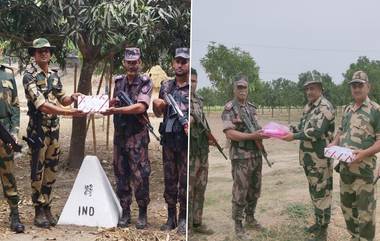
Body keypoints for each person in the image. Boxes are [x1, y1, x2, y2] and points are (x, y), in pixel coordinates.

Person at [23, 38, 84, 228]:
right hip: (38, 131)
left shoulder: (54, 75)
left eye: (47, 50)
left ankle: (47, 205)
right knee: (38, 171)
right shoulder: (29, 75)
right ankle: (38, 210)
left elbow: (62, 98)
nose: (44, 53)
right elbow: (41, 105)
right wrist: (69, 112)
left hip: (54, 130)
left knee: (51, 169)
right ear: (34, 53)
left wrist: (72, 98)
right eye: (40, 51)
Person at [102, 47, 153, 229]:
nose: (132, 66)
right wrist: (109, 104)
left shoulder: (145, 82)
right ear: (124, 63)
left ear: (140, 63)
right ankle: (125, 212)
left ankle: (142, 213)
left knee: (140, 176)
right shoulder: (118, 82)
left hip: (137, 137)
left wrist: (117, 110)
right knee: (121, 175)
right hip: (120, 136)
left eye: (135, 62)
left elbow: (140, 107)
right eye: (129, 62)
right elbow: (111, 102)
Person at [281, 74, 335, 241]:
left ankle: (323, 231)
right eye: (307, 89)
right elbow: (305, 126)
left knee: (322, 193)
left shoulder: (325, 106)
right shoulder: (309, 106)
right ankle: (319, 223)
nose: (309, 91)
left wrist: (294, 136)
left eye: (313, 88)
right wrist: (290, 129)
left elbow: (317, 131)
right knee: (314, 192)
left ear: (320, 89)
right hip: (309, 159)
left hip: (320, 159)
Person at [329, 70, 380, 241]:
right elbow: (341, 130)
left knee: (365, 213)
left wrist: (363, 154)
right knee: (347, 208)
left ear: (368, 87)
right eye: (354, 86)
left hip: (364, 171)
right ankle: (354, 237)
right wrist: (334, 142)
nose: (357, 89)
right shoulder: (347, 109)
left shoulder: (376, 110)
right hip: (345, 168)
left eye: (360, 85)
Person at [221, 76, 267, 240]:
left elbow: (257, 128)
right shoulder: (229, 109)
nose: (242, 91)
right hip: (240, 156)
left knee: (254, 188)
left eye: (244, 88)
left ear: (247, 90)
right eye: (239, 88)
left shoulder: (251, 108)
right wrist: (251, 135)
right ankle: (238, 225)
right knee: (240, 191)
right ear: (234, 89)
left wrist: (264, 133)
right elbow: (230, 133)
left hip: (256, 154)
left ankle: (250, 218)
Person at [152, 47, 189, 235]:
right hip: (169, 141)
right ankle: (171, 217)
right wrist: (156, 105)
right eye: (177, 61)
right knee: (169, 179)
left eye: (184, 61)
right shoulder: (166, 86)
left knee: (184, 180)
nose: (180, 65)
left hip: (185, 142)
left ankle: (183, 218)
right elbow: (159, 113)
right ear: (173, 63)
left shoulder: (193, 87)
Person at [188, 68, 214, 235]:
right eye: (190, 81)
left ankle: (198, 222)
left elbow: (202, 121)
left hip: (202, 150)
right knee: (189, 190)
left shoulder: (200, 100)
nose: (192, 84)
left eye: (195, 81)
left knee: (201, 188)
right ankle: (188, 226)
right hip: (190, 152)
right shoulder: (182, 99)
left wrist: (209, 136)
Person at [0, 65, 24, 233]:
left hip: (5, 133)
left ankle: (15, 215)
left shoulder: (7, 75)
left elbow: (15, 106)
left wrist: (14, 131)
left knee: (9, 176)